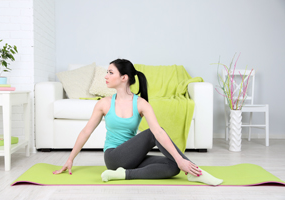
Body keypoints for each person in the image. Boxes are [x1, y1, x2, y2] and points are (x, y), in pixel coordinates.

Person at [53, 59, 223, 186]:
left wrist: (178, 161)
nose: (106, 76)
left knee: (173, 167)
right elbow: (86, 132)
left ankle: (124, 174)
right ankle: (195, 171)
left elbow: (159, 133)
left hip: (132, 158)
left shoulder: (141, 103)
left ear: (124, 77)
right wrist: (70, 159)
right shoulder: (104, 103)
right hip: (113, 157)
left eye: (110, 73)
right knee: (151, 133)